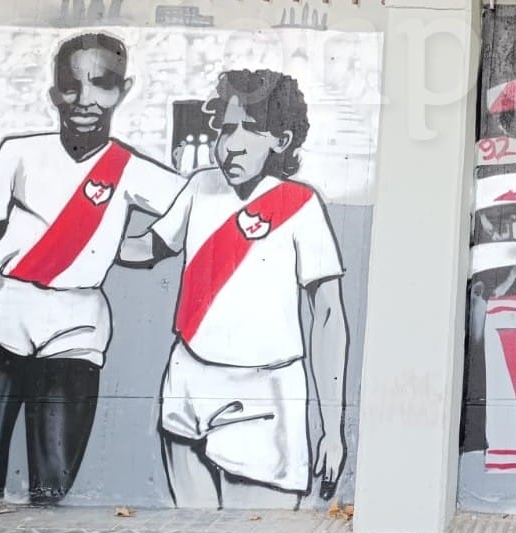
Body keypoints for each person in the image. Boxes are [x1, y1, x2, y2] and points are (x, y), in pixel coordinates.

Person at [0, 32, 185, 504]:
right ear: (54, 91)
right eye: (71, 85)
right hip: (5, 316)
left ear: (124, 89)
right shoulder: (19, 153)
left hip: (77, 327)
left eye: (101, 83)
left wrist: (141, 248)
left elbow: (193, 209)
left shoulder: (132, 170)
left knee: (52, 481)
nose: (85, 98)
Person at [120, 69, 348, 509]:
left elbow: (328, 316)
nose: (233, 143)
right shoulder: (200, 186)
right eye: (226, 128)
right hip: (187, 380)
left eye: (252, 129)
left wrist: (332, 429)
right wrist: (88, 235)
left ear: (281, 140)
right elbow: (148, 247)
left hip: (264, 393)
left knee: (261, 532)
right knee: (195, 532)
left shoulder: (300, 205)